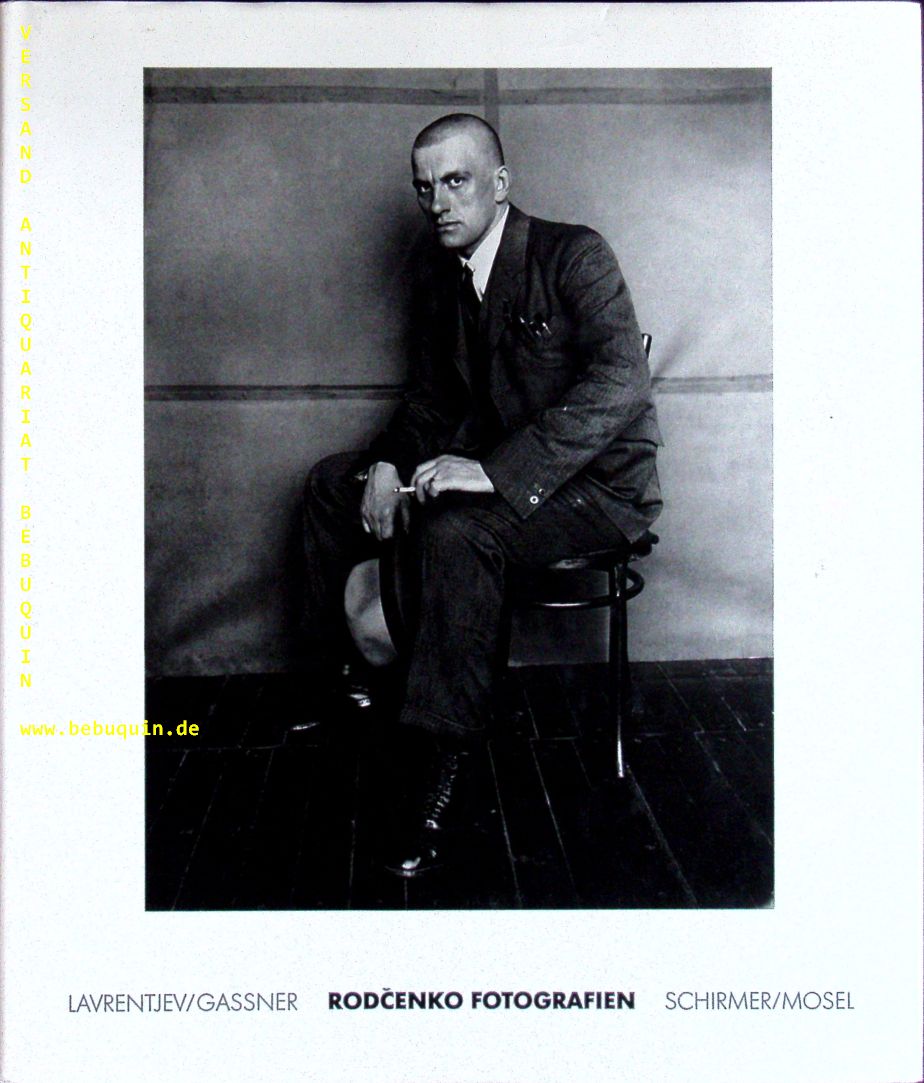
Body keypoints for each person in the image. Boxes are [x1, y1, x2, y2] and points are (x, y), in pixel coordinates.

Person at [301, 113, 662, 877]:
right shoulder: (447, 275)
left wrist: (494, 472)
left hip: (597, 490)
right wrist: (388, 464)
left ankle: (442, 759)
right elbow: (432, 402)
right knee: (333, 486)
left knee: (459, 532)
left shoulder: (574, 254)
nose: (437, 202)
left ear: (500, 185)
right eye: (424, 187)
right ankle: (359, 682)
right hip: (504, 472)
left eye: (456, 181)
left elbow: (621, 381)